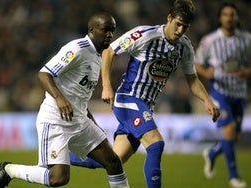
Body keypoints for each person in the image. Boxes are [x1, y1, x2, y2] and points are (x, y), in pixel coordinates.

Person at [69, 1, 220, 188]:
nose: (181, 30)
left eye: (186, 27)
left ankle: (60, 156)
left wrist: (207, 100)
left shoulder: (185, 47)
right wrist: (106, 86)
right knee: (156, 144)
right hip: (128, 99)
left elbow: (192, 79)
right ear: (169, 18)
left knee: (113, 160)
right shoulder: (144, 34)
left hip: (145, 106)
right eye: (178, 24)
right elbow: (109, 51)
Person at [0, 12, 130, 188]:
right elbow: (44, 73)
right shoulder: (77, 48)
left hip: (80, 121)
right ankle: (9, 170)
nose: (109, 34)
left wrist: (92, 122)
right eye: (105, 30)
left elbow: (79, 96)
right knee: (58, 178)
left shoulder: (97, 57)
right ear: (92, 30)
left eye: (112, 30)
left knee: (113, 162)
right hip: (56, 120)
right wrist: (59, 98)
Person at [195, 2, 251, 188]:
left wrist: (246, 72)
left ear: (236, 18)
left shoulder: (246, 39)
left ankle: (211, 153)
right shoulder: (210, 40)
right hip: (220, 93)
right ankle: (234, 176)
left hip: (239, 93)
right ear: (220, 18)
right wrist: (207, 73)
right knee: (228, 132)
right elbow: (196, 64)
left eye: (232, 14)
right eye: (226, 14)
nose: (229, 17)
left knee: (233, 137)